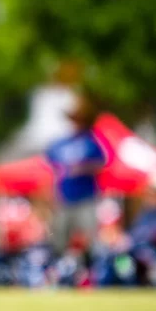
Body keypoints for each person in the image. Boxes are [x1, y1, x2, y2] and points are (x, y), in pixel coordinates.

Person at [45, 94, 106, 251]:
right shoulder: (60, 143)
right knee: (59, 237)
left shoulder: (91, 141)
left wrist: (83, 168)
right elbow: (51, 165)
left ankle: (90, 266)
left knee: (90, 236)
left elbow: (102, 163)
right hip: (65, 198)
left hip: (86, 198)